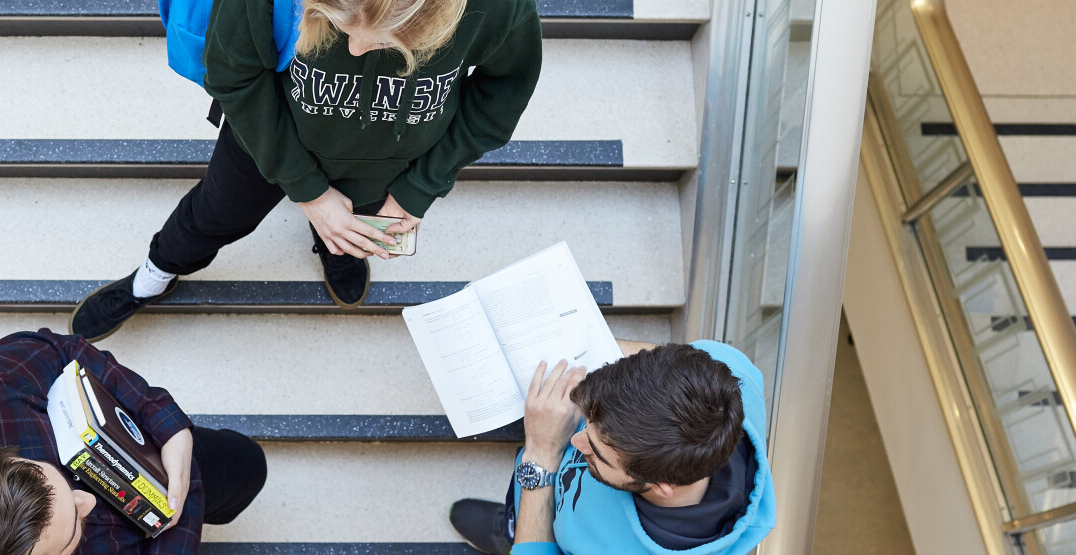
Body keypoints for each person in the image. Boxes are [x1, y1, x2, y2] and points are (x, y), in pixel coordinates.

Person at [69, 0, 545, 340]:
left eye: (385, 41)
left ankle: (336, 249)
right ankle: (153, 275)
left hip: (390, 161)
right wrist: (311, 195)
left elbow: (505, 89)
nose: (356, 49)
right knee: (210, 217)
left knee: (351, 228)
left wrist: (420, 188)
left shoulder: (496, 7)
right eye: (336, 21)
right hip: (268, 140)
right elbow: (232, 73)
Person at [0, 330, 268, 555]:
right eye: (71, 532)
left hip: (160, 456)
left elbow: (62, 351)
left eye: (48, 472)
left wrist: (166, 424)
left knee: (247, 466)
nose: (86, 498)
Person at [449, 341, 777, 554]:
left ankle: (511, 533)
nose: (574, 443)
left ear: (663, 486)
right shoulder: (727, 368)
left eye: (596, 450)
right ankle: (514, 515)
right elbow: (642, 359)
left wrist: (542, 451)